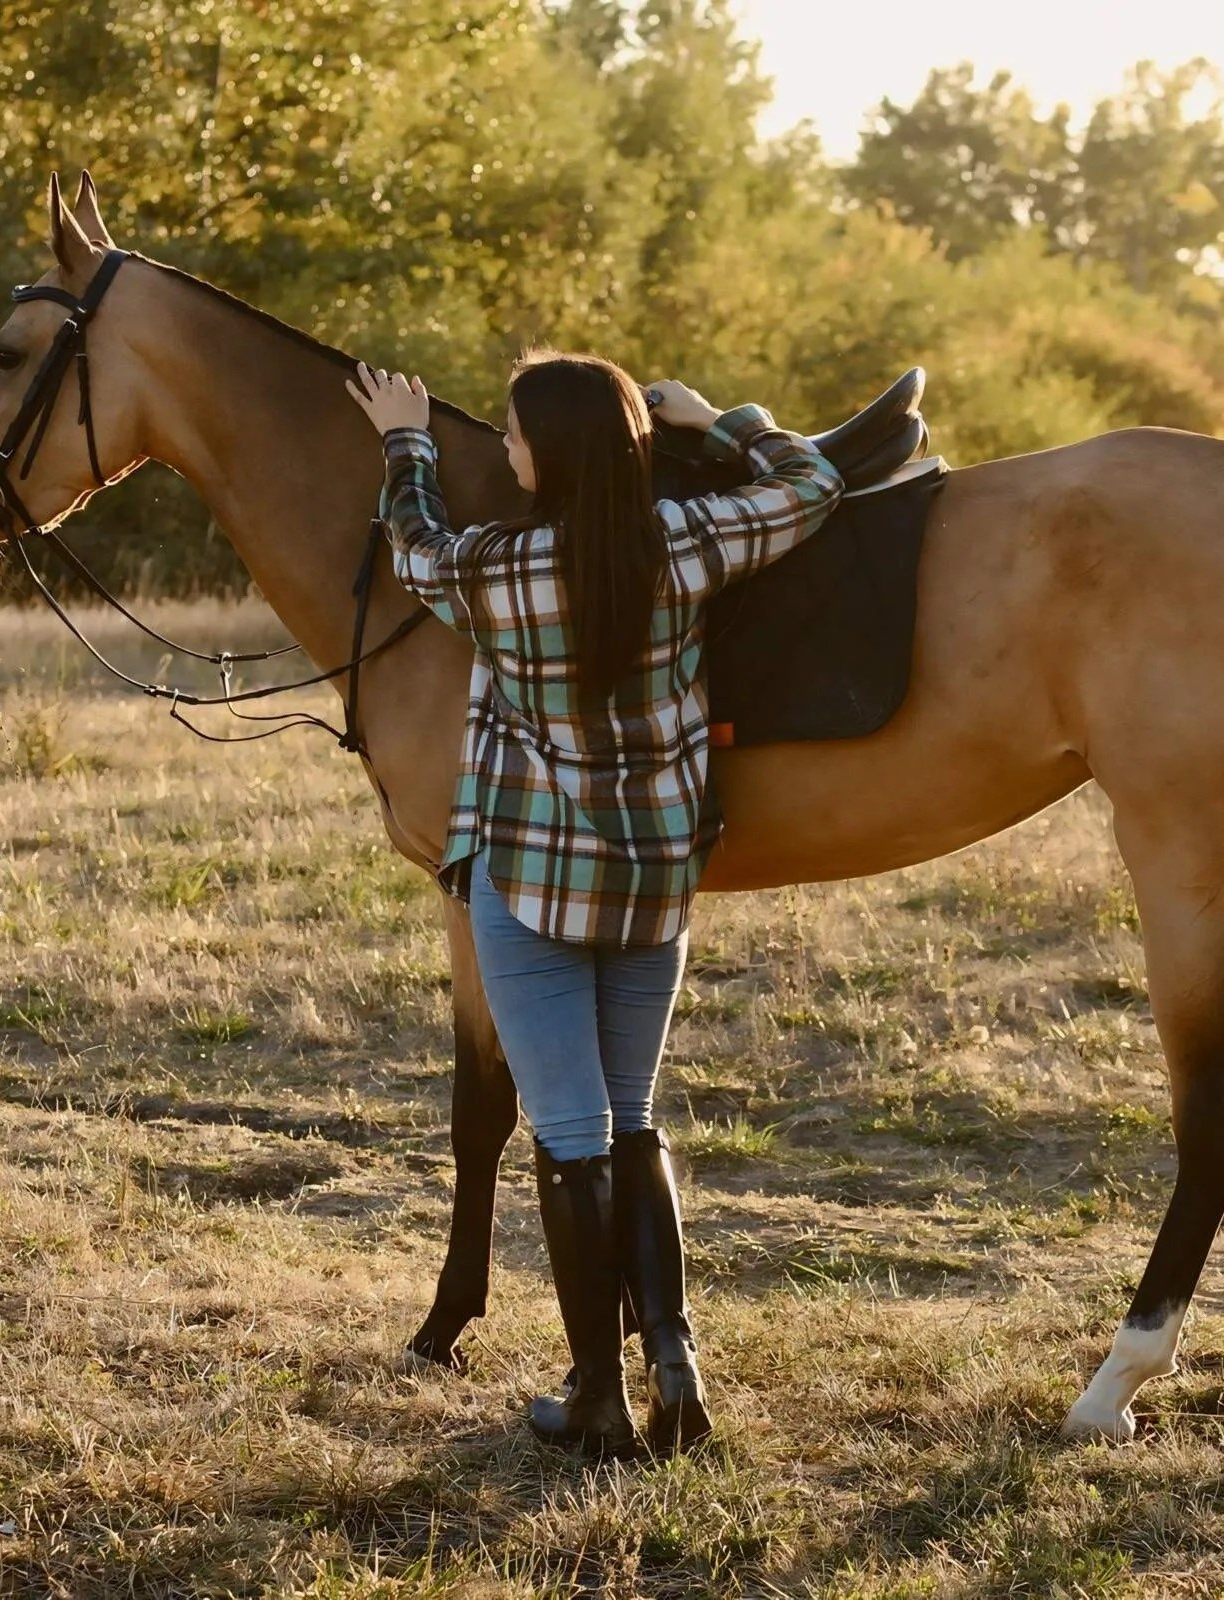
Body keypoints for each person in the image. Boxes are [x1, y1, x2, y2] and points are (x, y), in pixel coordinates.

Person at [346, 352, 843, 1459]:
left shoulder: (499, 567)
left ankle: (597, 1396)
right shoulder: (687, 543)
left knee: (572, 1135)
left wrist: (406, 440)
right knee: (635, 1114)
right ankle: (678, 1364)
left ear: (544, 458)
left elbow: (414, 546)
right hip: (656, 885)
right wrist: (727, 416)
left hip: (530, 887)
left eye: (516, 436)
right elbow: (811, 487)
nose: (508, 450)